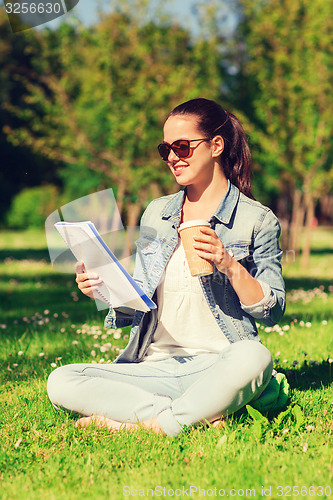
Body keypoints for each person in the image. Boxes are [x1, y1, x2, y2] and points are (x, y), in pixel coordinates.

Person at [47, 98, 286, 437]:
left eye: (182, 146)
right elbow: (140, 301)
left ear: (216, 145)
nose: (173, 157)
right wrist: (103, 288)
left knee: (255, 357)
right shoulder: (157, 214)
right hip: (154, 366)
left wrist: (227, 263)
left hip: (220, 363)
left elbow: (272, 310)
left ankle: (146, 424)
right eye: (166, 149)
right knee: (62, 380)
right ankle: (180, 416)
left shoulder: (257, 220)